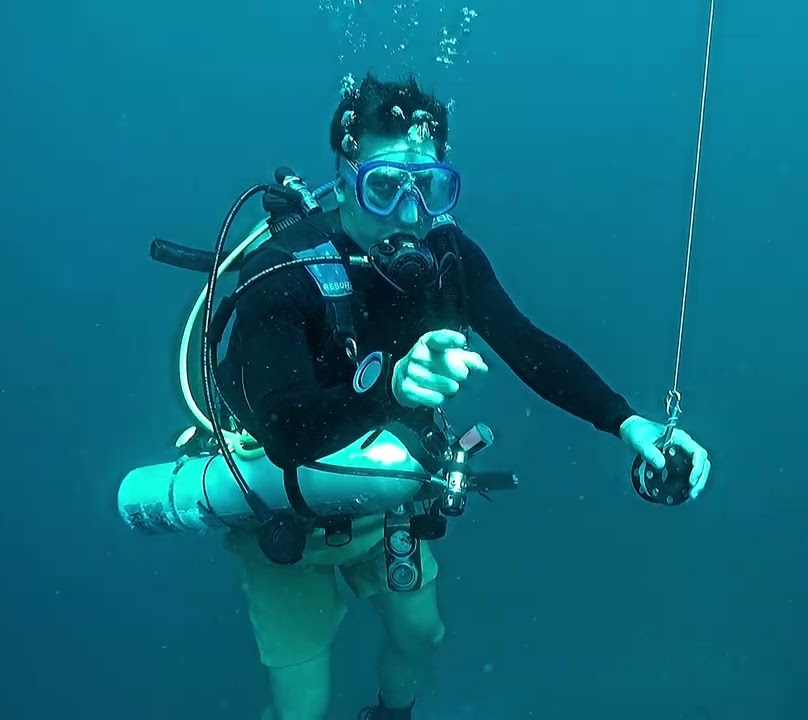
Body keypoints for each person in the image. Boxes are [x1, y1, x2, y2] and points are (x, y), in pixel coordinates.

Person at [216, 73, 712, 720]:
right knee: (302, 707)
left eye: (430, 189)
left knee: (421, 634)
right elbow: (286, 430)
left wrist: (626, 423)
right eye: (386, 187)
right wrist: (390, 388)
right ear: (344, 178)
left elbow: (528, 346)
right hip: (284, 509)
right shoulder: (282, 274)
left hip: (386, 502)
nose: (410, 213)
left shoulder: (448, 256)